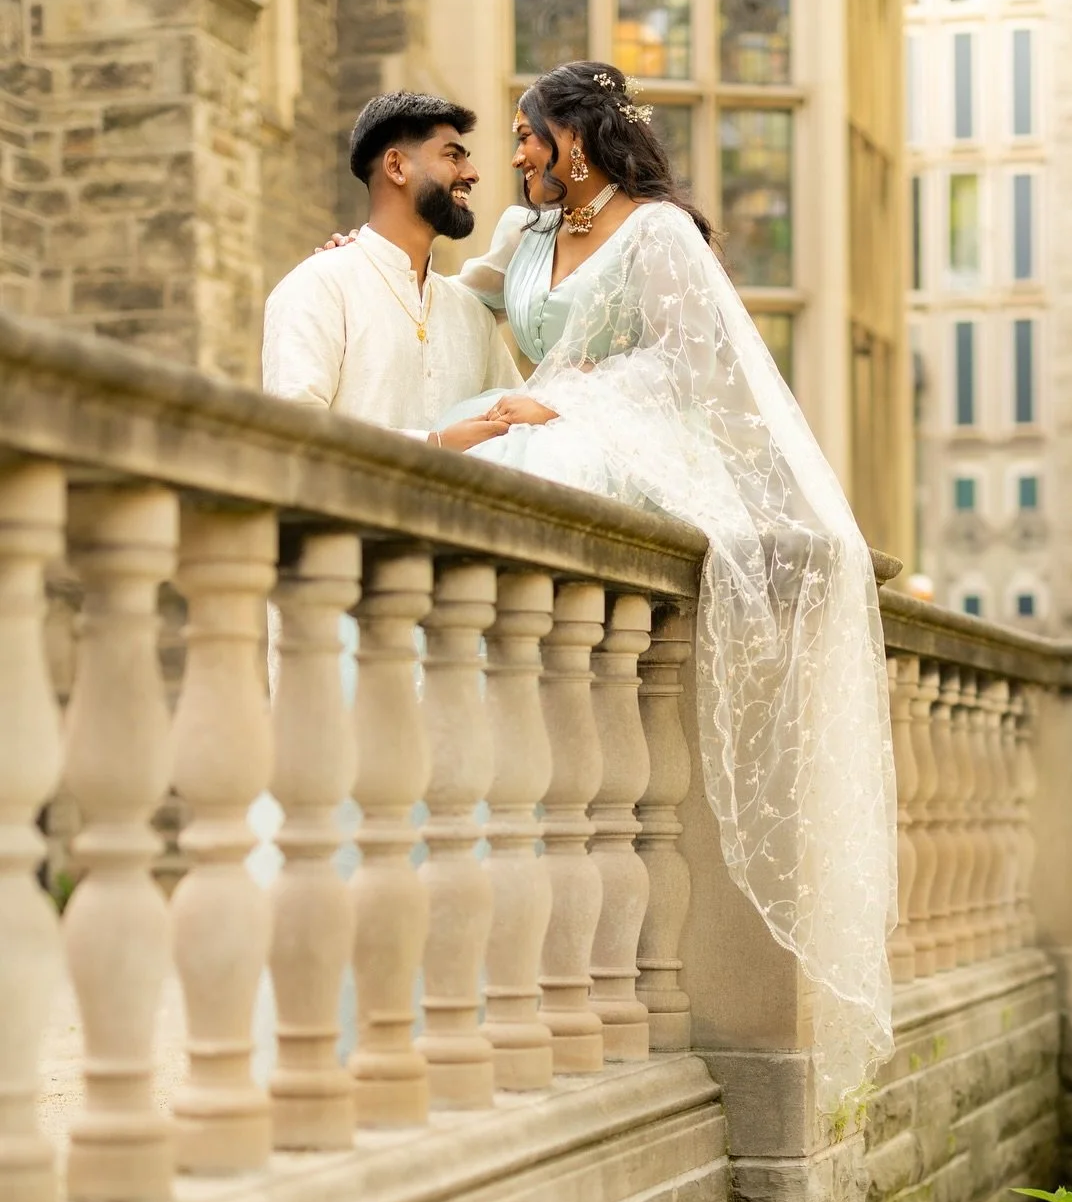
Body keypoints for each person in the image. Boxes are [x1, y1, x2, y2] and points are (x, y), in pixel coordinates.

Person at [445, 61, 898, 1114]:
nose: (515, 156)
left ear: (578, 139)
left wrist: (572, 413)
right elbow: (446, 290)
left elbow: (691, 367)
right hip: (536, 421)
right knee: (461, 468)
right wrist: (363, 264)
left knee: (529, 475)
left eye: (527, 136)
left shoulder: (659, 235)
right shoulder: (524, 236)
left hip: (621, 442)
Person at [262, 92, 517, 447]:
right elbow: (293, 433)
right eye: (452, 156)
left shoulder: (471, 314)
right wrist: (432, 445)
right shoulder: (319, 286)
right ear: (396, 167)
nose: (471, 174)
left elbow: (516, 430)